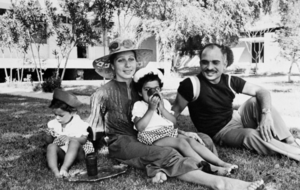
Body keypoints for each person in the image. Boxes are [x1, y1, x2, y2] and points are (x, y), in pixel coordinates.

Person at [87, 38, 266, 190]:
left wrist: (182, 132)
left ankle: (163, 169)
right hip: (124, 141)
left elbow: (161, 121)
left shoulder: (142, 88)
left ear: (136, 62)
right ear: (112, 64)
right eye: (121, 60)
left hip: (148, 136)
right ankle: (219, 182)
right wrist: (88, 155)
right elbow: (92, 131)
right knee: (167, 152)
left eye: (131, 59)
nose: (127, 65)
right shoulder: (102, 93)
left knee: (203, 139)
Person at [172, 43, 300, 161]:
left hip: (236, 117)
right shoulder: (191, 85)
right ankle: (294, 153)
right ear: (200, 63)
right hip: (221, 132)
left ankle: (290, 141)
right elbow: (174, 113)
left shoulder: (229, 81)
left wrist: (266, 115)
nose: (209, 67)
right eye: (205, 62)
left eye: (215, 62)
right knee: (251, 135)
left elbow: (262, 91)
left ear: (225, 63)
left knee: (257, 101)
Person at [132, 67, 238, 176]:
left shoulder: (165, 104)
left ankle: (221, 163)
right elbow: (140, 127)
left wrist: (162, 109)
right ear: (140, 93)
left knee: (191, 141)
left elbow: (173, 122)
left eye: (156, 89)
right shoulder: (139, 105)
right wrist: (151, 109)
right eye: (147, 89)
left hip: (167, 133)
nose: (152, 92)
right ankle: (208, 167)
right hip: (151, 136)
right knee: (181, 142)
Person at [45, 89, 94, 178]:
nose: (57, 118)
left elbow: (83, 140)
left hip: (78, 154)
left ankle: (64, 168)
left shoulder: (78, 123)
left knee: (74, 142)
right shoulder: (54, 123)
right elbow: (49, 141)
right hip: (63, 154)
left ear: (72, 112)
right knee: (51, 147)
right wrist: (49, 134)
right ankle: (55, 171)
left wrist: (70, 138)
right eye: (55, 114)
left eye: (61, 115)